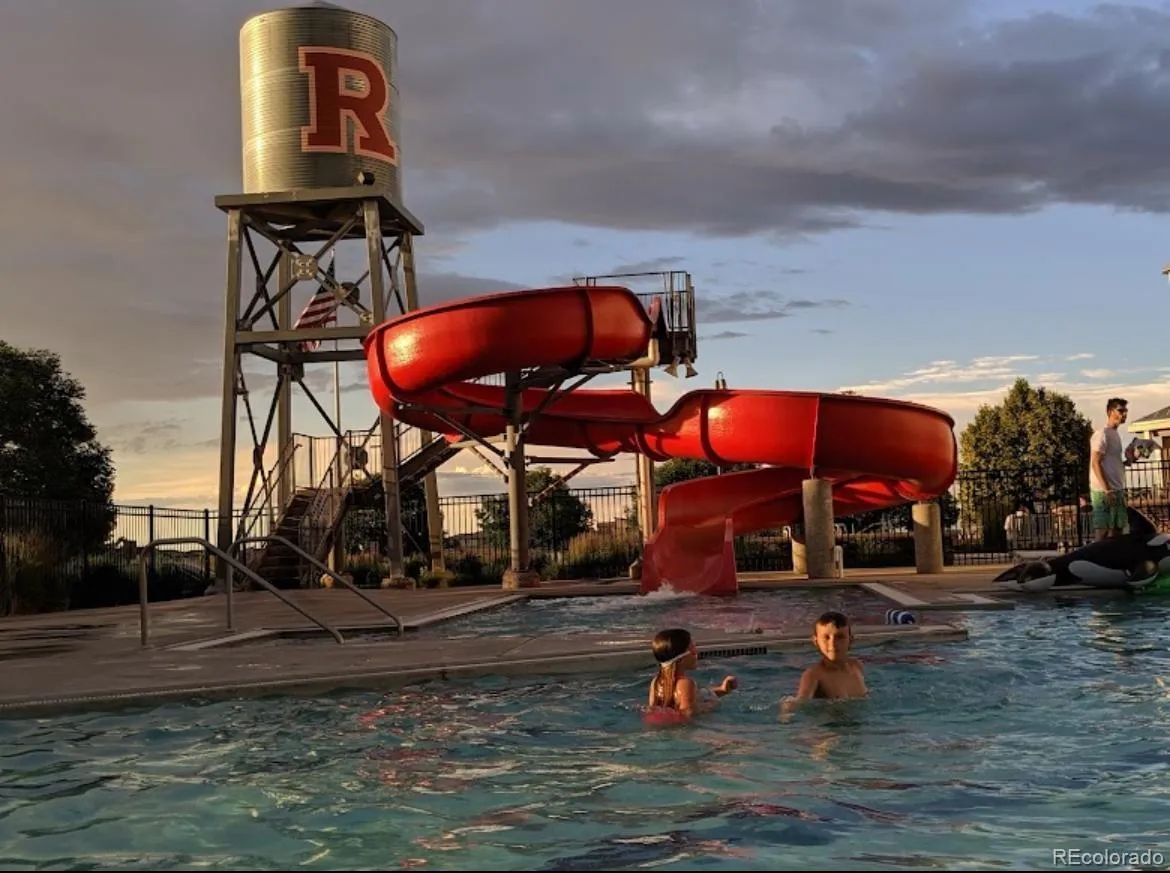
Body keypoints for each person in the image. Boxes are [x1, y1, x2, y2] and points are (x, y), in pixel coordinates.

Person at [781, 611, 867, 717]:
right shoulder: (814, 675)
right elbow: (801, 702)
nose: (832, 643)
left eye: (840, 637)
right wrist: (788, 708)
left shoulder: (856, 666)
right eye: (826, 637)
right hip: (831, 725)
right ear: (816, 641)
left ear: (851, 640)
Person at [646, 628, 737, 720]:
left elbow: (654, 709)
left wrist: (722, 690)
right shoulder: (685, 683)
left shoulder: (656, 682)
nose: (697, 654)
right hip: (684, 728)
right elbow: (689, 712)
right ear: (681, 659)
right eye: (693, 651)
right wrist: (712, 704)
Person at [1090, 397, 1130, 540]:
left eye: (1125, 411)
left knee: (1118, 529)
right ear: (1110, 412)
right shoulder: (1102, 434)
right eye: (1120, 410)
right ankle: (1096, 554)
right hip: (1103, 491)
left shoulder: (1116, 435)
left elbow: (1112, 463)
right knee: (1103, 530)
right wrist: (1107, 490)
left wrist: (1130, 460)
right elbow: (1095, 463)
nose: (1124, 414)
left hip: (1117, 489)